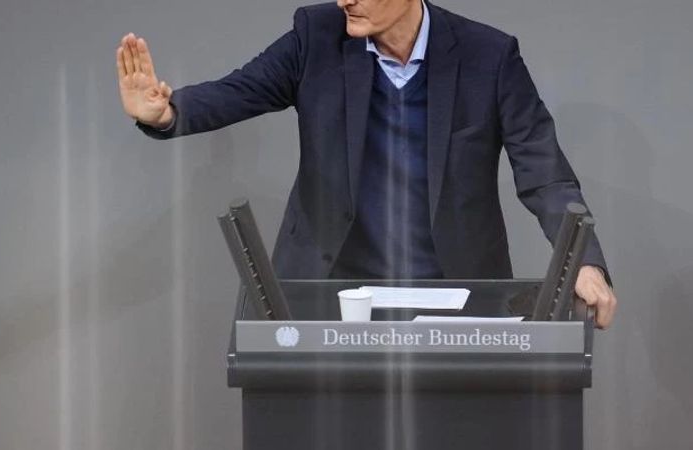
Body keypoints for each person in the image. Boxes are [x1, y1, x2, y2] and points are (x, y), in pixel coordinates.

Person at [115, 0, 617, 328]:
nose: (343, 0)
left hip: (453, 292)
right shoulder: (317, 36)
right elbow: (239, 90)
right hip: (330, 289)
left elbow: (544, 169)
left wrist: (584, 262)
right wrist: (169, 112)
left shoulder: (490, 55)